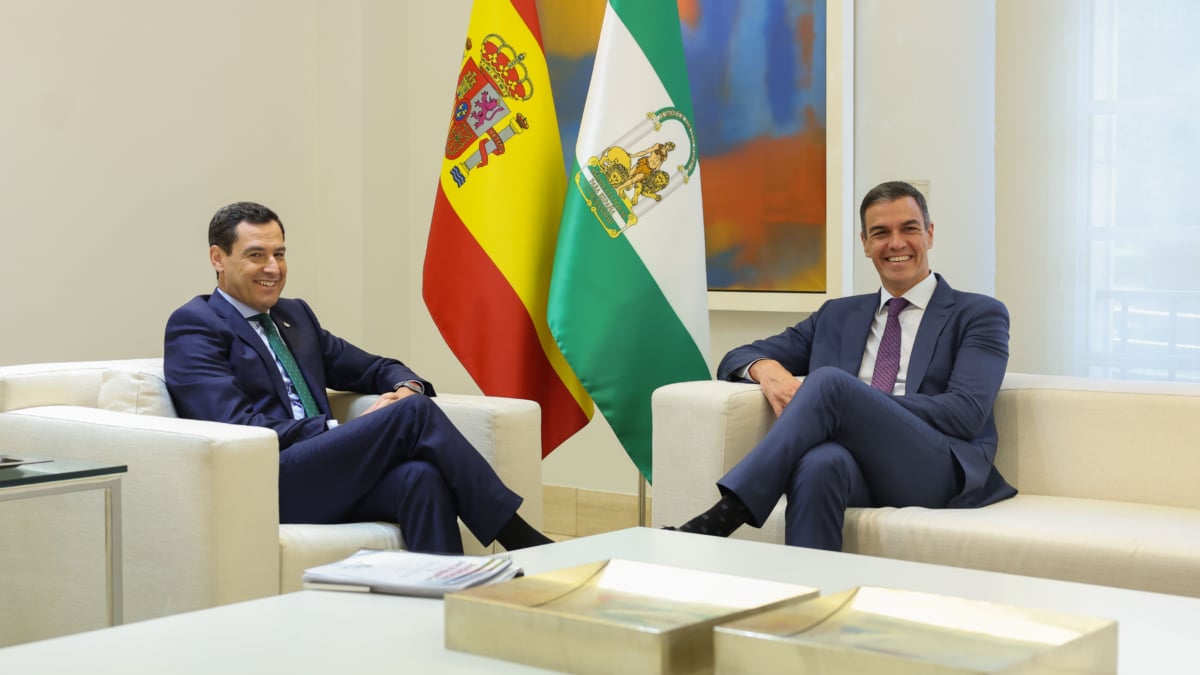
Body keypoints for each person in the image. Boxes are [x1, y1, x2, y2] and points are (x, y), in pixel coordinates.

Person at [164, 201, 551, 554]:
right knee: (413, 414)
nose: (273, 268)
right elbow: (235, 426)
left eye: (279, 254)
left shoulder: (294, 317)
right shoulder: (195, 325)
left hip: (323, 472)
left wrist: (406, 387)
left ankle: (444, 607)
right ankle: (520, 539)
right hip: (266, 478)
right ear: (218, 258)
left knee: (421, 476)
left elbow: (375, 368)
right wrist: (333, 429)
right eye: (256, 255)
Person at [670, 181, 1016, 550]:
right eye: (881, 233)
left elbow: (966, 412)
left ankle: (723, 517)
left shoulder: (978, 313)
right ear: (865, 243)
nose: (896, 243)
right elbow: (737, 356)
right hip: (857, 465)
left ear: (929, 234)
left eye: (909, 229)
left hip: (937, 467)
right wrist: (767, 370)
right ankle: (810, 597)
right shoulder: (837, 315)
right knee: (820, 463)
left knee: (831, 385)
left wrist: (853, 404)